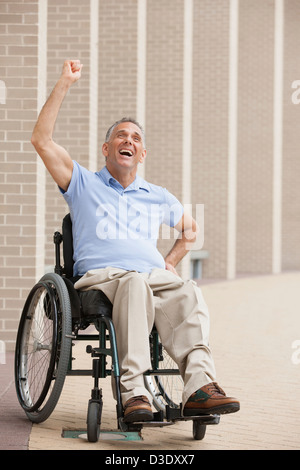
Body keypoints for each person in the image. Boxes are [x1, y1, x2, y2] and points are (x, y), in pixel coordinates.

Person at [31, 60, 240, 423]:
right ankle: (134, 392)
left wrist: (170, 261)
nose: (129, 140)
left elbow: (191, 230)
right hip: (104, 277)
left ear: (142, 155)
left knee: (188, 291)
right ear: (107, 148)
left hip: (150, 277)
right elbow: (41, 140)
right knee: (133, 283)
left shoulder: (157, 195)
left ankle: (199, 388)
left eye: (137, 139)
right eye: (121, 136)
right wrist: (65, 82)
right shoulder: (83, 182)